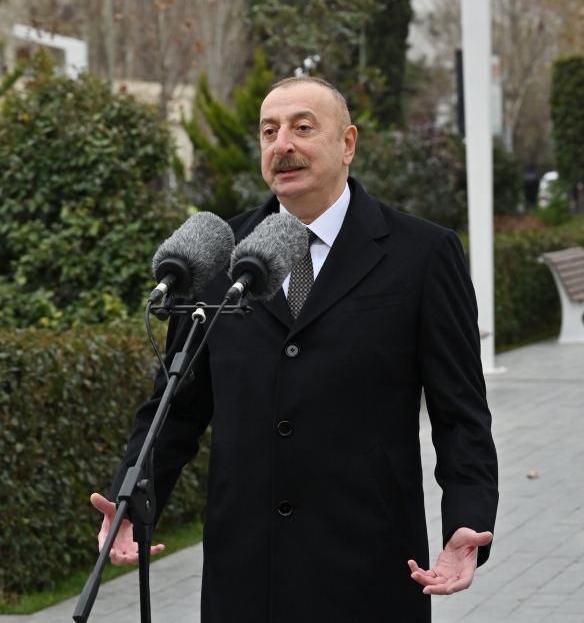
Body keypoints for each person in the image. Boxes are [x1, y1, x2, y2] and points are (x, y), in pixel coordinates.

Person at [91, 77, 498, 622]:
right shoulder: (218, 256)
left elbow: (460, 412)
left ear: (347, 143)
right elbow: (175, 408)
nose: (282, 144)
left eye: (302, 128)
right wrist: (130, 503)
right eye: (269, 131)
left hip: (369, 567)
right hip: (245, 571)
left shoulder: (422, 253)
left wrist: (467, 517)